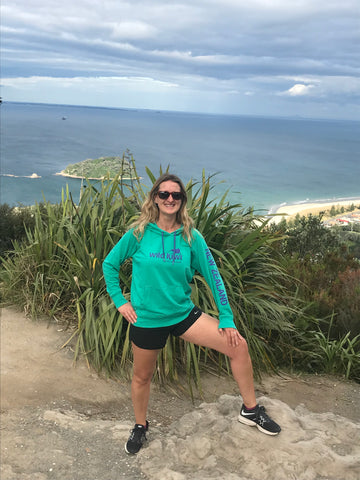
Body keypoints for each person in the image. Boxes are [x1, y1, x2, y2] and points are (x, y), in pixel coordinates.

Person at [103, 173, 281, 455]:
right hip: (147, 319)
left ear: (182, 201)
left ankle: (250, 410)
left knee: (238, 346)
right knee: (142, 378)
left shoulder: (191, 237)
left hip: (183, 314)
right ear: (155, 199)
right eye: (164, 194)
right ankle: (140, 426)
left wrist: (226, 318)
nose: (170, 199)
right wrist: (119, 300)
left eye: (176, 195)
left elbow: (214, 278)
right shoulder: (138, 233)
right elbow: (109, 264)